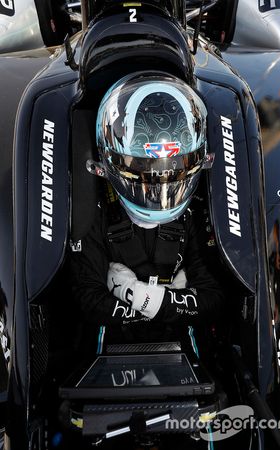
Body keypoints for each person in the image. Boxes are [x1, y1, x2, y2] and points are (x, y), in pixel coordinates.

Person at [70, 71, 224, 359]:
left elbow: (213, 299)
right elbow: (86, 300)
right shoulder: (95, 209)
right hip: (107, 351)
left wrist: (134, 294)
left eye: (173, 174)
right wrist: (175, 301)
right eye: (145, 176)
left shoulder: (194, 209)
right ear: (107, 166)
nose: (158, 192)